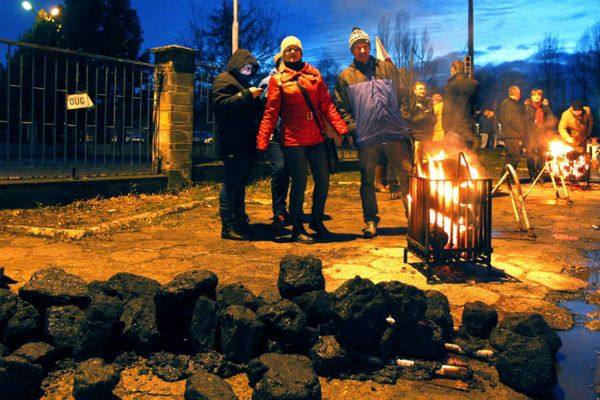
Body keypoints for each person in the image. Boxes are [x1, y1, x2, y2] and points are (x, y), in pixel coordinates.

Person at [257, 36, 348, 244]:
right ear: (283, 54)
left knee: (323, 180)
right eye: (288, 50)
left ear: (301, 52)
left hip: (316, 136)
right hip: (293, 139)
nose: (292, 52)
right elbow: (270, 113)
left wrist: (341, 128)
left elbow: (327, 105)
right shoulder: (277, 80)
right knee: (299, 182)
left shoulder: (314, 75)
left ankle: (316, 220)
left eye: (295, 49)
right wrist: (262, 141)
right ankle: (297, 228)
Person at [334, 27, 412, 238]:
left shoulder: (386, 69)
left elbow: (404, 94)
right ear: (352, 50)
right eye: (357, 47)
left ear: (369, 46)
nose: (362, 50)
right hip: (367, 136)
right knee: (368, 180)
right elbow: (341, 107)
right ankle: (371, 220)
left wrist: (403, 117)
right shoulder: (345, 77)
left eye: (365, 45)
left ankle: (415, 220)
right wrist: (353, 127)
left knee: (407, 175)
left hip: (394, 132)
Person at [212, 49, 264, 240]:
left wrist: (259, 99)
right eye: (245, 66)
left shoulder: (243, 84)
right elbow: (222, 105)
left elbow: (250, 110)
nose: (248, 70)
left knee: (240, 184)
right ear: (237, 65)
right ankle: (227, 227)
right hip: (232, 142)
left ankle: (240, 221)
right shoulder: (223, 80)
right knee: (231, 184)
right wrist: (247, 95)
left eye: (251, 68)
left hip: (245, 142)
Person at [258, 53, 290, 229]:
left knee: (291, 172)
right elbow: (262, 107)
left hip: (293, 135)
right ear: (278, 64)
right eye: (283, 62)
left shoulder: (297, 79)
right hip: (275, 135)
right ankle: (278, 210)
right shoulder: (268, 81)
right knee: (279, 169)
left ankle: (287, 209)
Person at [442, 60, 480, 152]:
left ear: (453, 70)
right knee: (466, 157)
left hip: (454, 128)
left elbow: (448, 109)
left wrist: (446, 128)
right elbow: (477, 106)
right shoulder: (474, 84)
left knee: (453, 158)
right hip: (468, 127)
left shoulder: (451, 85)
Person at [523, 89, 556, 179]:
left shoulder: (545, 107)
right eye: (534, 95)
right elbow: (523, 121)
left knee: (542, 155)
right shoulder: (526, 107)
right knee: (530, 155)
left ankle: (539, 173)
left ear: (541, 97)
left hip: (542, 135)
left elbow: (551, 119)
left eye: (539, 95)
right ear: (531, 96)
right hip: (530, 135)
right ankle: (532, 174)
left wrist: (545, 126)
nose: (536, 97)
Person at [498, 85, 526, 170]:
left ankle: (507, 178)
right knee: (514, 158)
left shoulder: (507, 103)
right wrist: (521, 129)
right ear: (517, 94)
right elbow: (512, 119)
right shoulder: (510, 104)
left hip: (510, 134)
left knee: (510, 158)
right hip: (511, 135)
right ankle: (507, 178)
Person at [409, 81, 436, 156]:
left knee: (427, 157)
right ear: (415, 91)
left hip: (428, 134)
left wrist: (422, 109)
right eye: (420, 89)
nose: (423, 91)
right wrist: (424, 113)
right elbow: (411, 117)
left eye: (424, 89)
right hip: (415, 134)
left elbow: (430, 115)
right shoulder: (411, 101)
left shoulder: (429, 100)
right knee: (416, 156)